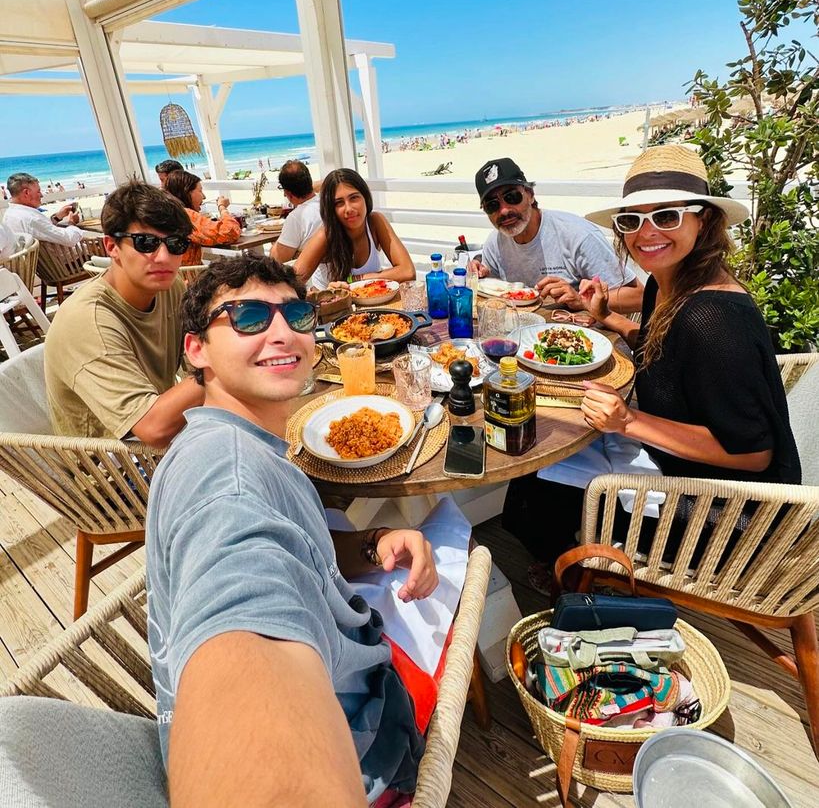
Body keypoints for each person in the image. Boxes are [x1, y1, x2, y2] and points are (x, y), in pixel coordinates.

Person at [147, 256, 448, 805]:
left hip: (344, 652)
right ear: (196, 349)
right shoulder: (227, 482)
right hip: (363, 743)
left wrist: (369, 543)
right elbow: (245, 610)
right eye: (247, 317)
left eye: (297, 314)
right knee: (454, 530)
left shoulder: (234, 443)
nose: (282, 332)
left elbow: (294, 548)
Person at [510, 145, 801, 573]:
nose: (647, 233)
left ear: (703, 221)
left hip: (725, 514)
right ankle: (562, 556)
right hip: (676, 462)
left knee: (538, 484)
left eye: (666, 216)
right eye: (632, 221)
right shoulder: (668, 284)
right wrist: (609, 317)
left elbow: (753, 454)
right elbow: (663, 347)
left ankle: (574, 574)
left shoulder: (712, 318)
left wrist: (628, 422)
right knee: (539, 464)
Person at [44, 181, 204, 444]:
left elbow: (196, 355)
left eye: (176, 244)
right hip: (112, 467)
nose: (163, 257)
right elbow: (153, 428)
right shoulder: (89, 320)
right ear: (112, 246)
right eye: (146, 243)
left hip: (164, 431)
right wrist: (222, 365)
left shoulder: (169, 287)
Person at [471, 158, 642, 313]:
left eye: (512, 197)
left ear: (530, 194)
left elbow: (638, 296)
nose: (504, 210)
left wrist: (580, 300)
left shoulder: (576, 235)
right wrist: (477, 273)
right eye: (492, 205)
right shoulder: (495, 243)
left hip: (582, 336)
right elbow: (489, 295)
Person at [295, 168, 415, 289]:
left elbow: (408, 272)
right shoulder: (326, 235)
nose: (349, 209)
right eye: (339, 203)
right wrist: (315, 295)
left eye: (354, 198)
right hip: (335, 307)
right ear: (331, 209)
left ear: (365, 197)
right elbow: (291, 284)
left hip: (373, 302)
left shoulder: (375, 222)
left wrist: (356, 280)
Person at [164, 170, 240, 266]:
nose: (204, 196)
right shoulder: (184, 215)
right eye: (200, 190)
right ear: (187, 192)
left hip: (177, 274)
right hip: (189, 277)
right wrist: (222, 207)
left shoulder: (167, 212)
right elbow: (230, 232)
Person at [3, 172, 83, 247]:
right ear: (26, 193)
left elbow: (42, 230)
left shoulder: (9, 215)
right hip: (70, 260)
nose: (41, 195)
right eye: (38, 191)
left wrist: (57, 217)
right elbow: (69, 240)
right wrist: (72, 222)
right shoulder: (31, 218)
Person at [272, 159, 322, 263]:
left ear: (288, 193)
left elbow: (276, 259)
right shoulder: (327, 202)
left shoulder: (297, 217)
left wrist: (276, 243)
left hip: (311, 274)